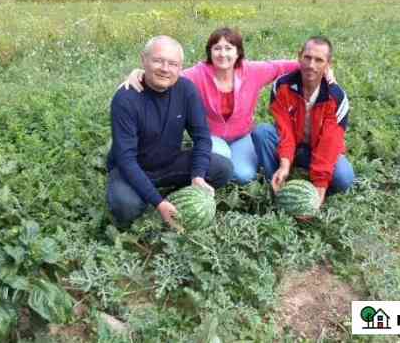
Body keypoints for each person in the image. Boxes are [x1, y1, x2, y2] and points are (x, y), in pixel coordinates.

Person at [122, 27, 309, 184]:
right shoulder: (198, 74)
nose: (223, 54)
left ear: (238, 52)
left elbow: (285, 66)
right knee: (223, 164)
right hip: (211, 138)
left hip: (243, 137)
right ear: (210, 52)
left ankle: (251, 163)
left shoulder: (252, 71)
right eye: (217, 48)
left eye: (229, 48)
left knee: (244, 176)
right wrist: (139, 72)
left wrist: (321, 68)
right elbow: (169, 74)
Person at [107, 36, 233, 228]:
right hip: (133, 168)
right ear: (144, 60)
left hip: (169, 162)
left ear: (180, 67)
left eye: (172, 63)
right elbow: (126, 159)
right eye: (158, 61)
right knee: (126, 207)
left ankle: (172, 193)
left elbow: (202, 137)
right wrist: (158, 203)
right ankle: (154, 198)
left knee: (222, 168)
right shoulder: (126, 98)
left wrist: (197, 175)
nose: (165, 69)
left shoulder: (186, 90)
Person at [252, 36, 354, 210]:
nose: (311, 65)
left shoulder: (336, 97)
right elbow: (285, 132)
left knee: (344, 178)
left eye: (319, 60)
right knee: (262, 132)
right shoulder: (282, 86)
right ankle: (277, 180)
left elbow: (329, 144)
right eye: (307, 57)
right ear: (299, 56)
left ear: (328, 64)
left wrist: (320, 185)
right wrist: (284, 164)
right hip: (293, 146)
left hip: (318, 149)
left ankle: (312, 186)